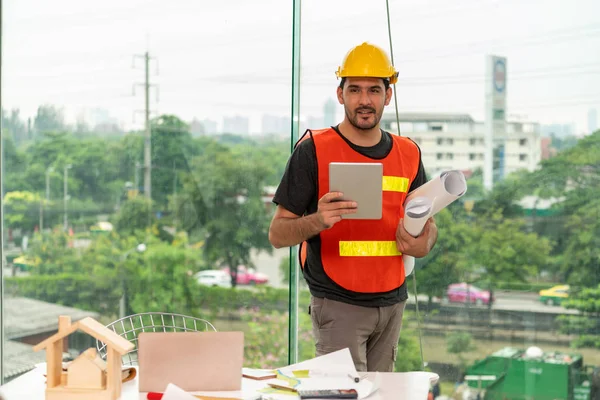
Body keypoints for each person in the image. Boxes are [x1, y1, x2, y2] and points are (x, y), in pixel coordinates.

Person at [268, 42, 438, 372]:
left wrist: (424, 242)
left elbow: (427, 223)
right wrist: (317, 220)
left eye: (374, 90)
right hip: (338, 302)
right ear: (340, 93)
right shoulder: (313, 150)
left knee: (380, 395)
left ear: (388, 96)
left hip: (392, 301)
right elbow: (277, 234)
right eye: (355, 89)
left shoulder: (409, 153)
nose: (364, 100)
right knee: (342, 395)